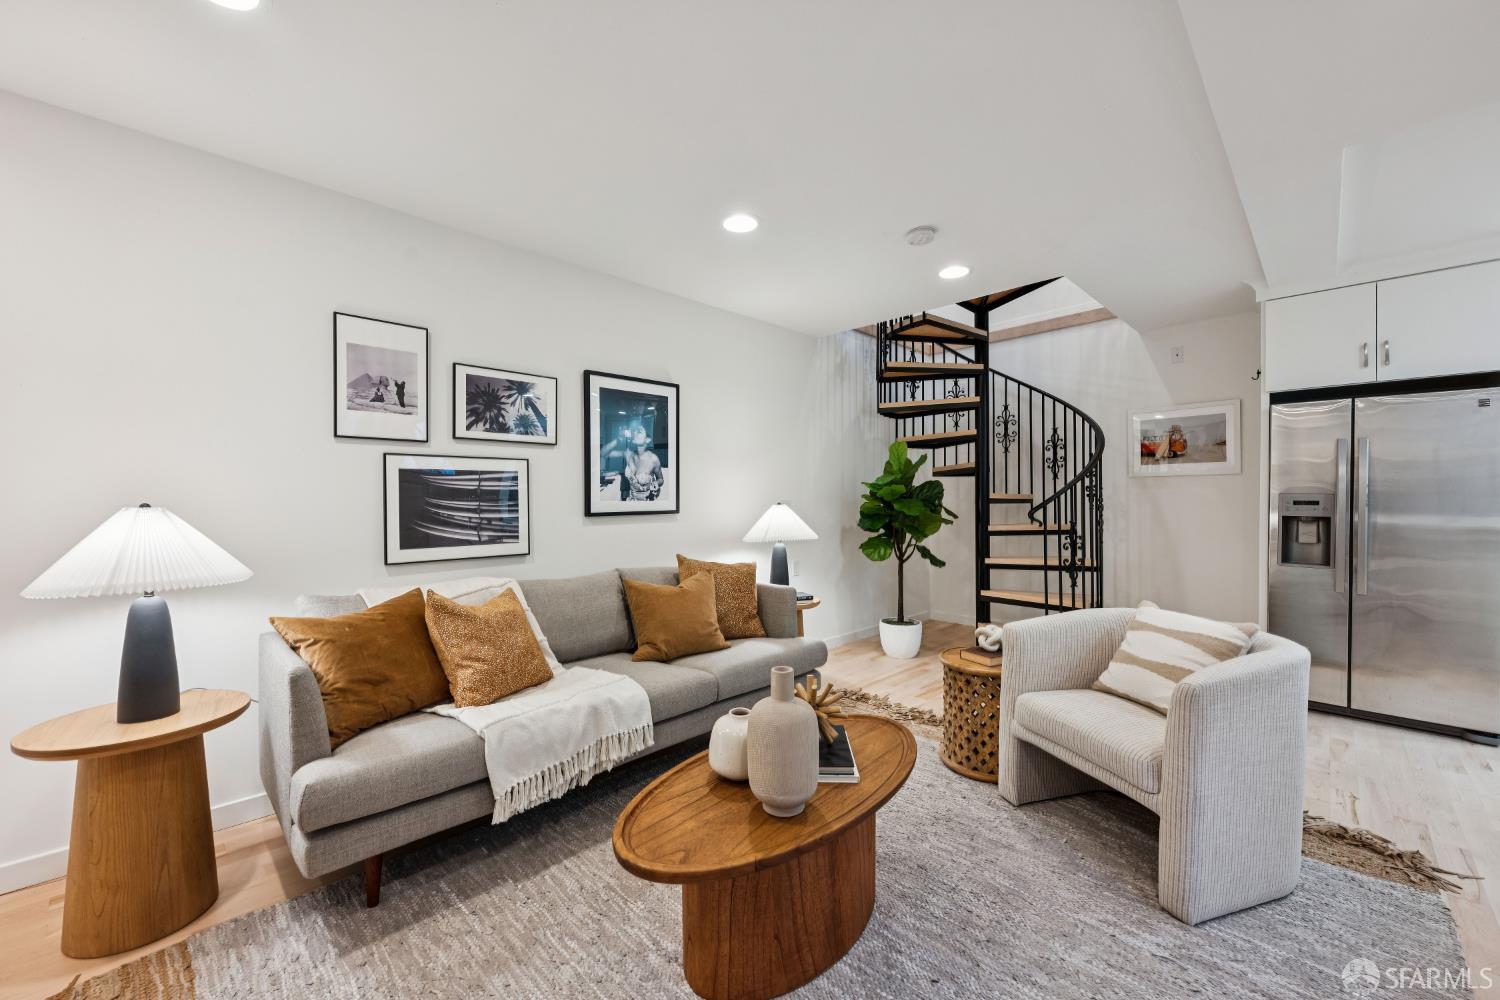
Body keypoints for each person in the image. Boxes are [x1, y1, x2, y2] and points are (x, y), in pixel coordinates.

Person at [624, 427, 663, 501]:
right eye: (636, 432)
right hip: (632, 502)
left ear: (647, 439)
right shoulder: (629, 456)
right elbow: (625, 483)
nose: (637, 433)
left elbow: (660, 479)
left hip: (648, 503)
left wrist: (656, 484)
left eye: (640, 431)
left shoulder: (654, 459)